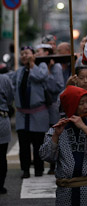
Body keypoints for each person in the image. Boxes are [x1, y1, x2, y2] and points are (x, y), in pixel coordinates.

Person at [12, 46, 59, 178]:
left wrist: (33, 64)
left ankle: (39, 169)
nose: (24, 56)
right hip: (22, 114)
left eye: (27, 53)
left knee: (38, 143)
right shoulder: (19, 71)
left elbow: (41, 77)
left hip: (38, 112)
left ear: (33, 55)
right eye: (22, 54)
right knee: (24, 145)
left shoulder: (41, 66)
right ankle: (25, 169)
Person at [0, 71, 14, 193]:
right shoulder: (4, 79)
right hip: (2, 116)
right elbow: (10, 97)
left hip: (2, 120)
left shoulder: (4, 78)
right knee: (1, 155)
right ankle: (0, 185)